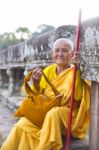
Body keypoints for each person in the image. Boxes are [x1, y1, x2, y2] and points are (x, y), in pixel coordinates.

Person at [1, 38, 90, 150]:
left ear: (72, 54)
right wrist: (36, 84)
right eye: (57, 50)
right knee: (22, 123)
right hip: (46, 111)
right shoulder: (48, 70)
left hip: (67, 115)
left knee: (54, 113)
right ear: (52, 53)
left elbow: (76, 97)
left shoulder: (76, 71)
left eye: (65, 50)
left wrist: (77, 71)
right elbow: (35, 97)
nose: (60, 54)